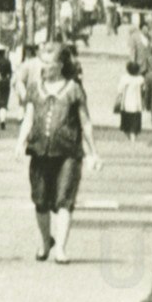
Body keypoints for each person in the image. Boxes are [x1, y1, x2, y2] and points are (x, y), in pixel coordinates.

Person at [24, 46, 90, 261]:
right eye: (41, 62)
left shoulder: (73, 89)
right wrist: (19, 142)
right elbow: (29, 118)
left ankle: (60, 247)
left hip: (68, 152)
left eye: (48, 63)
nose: (43, 67)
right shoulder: (34, 88)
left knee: (65, 200)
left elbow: (85, 122)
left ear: (60, 65)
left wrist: (93, 151)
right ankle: (46, 241)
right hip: (39, 151)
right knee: (40, 200)